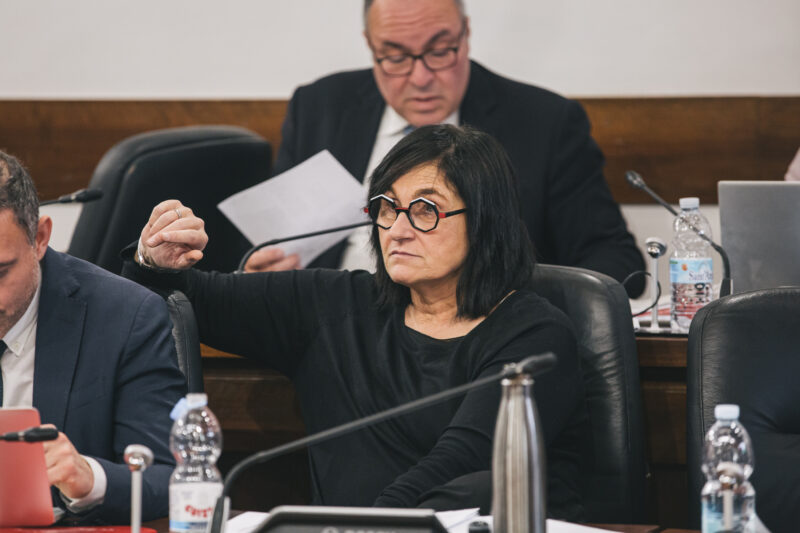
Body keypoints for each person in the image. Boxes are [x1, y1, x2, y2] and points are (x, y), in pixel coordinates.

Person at [125, 125, 587, 519]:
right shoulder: (333, 305)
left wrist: (359, 529)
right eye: (387, 207)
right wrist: (154, 260)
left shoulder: (534, 337)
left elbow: (463, 463)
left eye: (425, 210)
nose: (398, 230)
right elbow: (188, 301)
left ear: (485, 221)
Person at [246, 0, 645, 297]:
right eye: (395, 57)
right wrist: (261, 271)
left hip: (479, 339)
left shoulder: (544, 122)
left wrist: (509, 306)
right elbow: (274, 244)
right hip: (336, 331)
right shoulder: (320, 108)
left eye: (439, 52)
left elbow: (616, 263)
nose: (421, 77)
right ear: (370, 46)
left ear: (465, 35)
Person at [0, 151, 186, 523]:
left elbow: (167, 477)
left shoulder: (126, 317)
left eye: (0, 272)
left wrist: (88, 478)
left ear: (40, 238)